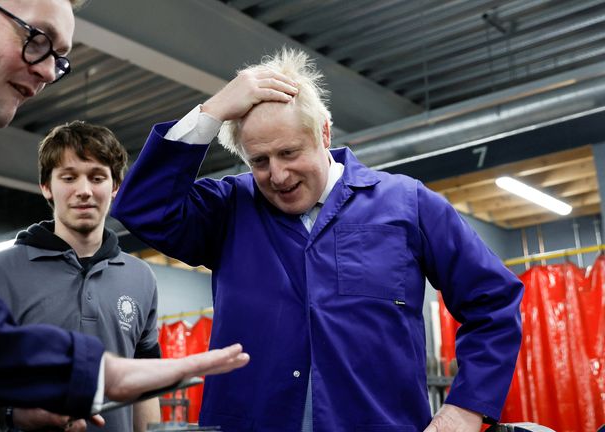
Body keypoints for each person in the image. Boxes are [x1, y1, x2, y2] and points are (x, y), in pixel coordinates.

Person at [0, 0, 249, 430]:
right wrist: (92, 374)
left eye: (59, 58)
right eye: (37, 40)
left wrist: (6, 413)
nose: (49, 71)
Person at [111, 48, 524, 432]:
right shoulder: (229, 209)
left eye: (290, 153)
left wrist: (466, 409)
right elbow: (141, 208)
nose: (278, 175)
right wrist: (213, 110)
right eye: (259, 161)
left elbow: (493, 300)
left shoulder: (407, 204)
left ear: (324, 133)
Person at [0, 121, 161, 432]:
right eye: (69, 177)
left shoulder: (141, 278)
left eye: (97, 177)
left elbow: (145, 382)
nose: (84, 191)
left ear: (114, 187)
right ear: (47, 187)